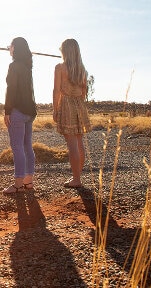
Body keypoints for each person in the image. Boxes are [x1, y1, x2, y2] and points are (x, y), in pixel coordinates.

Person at [53, 38, 91, 188]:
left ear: (64, 51)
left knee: (72, 144)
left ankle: (76, 180)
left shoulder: (60, 68)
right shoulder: (83, 69)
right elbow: (83, 92)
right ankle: (77, 176)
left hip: (67, 104)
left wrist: (55, 109)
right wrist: (78, 104)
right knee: (79, 142)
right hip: (79, 104)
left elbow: (56, 90)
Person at [2, 37, 37, 194]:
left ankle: (17, 184)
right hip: (29, 112)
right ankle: (28, 182)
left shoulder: (14, 66)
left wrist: (7, 110)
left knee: (17, 147)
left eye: (10, 46)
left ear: (15, 48)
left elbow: (11, 89)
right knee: (27, 146)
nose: (9, 48)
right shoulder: (27, 66)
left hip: (17, 111)